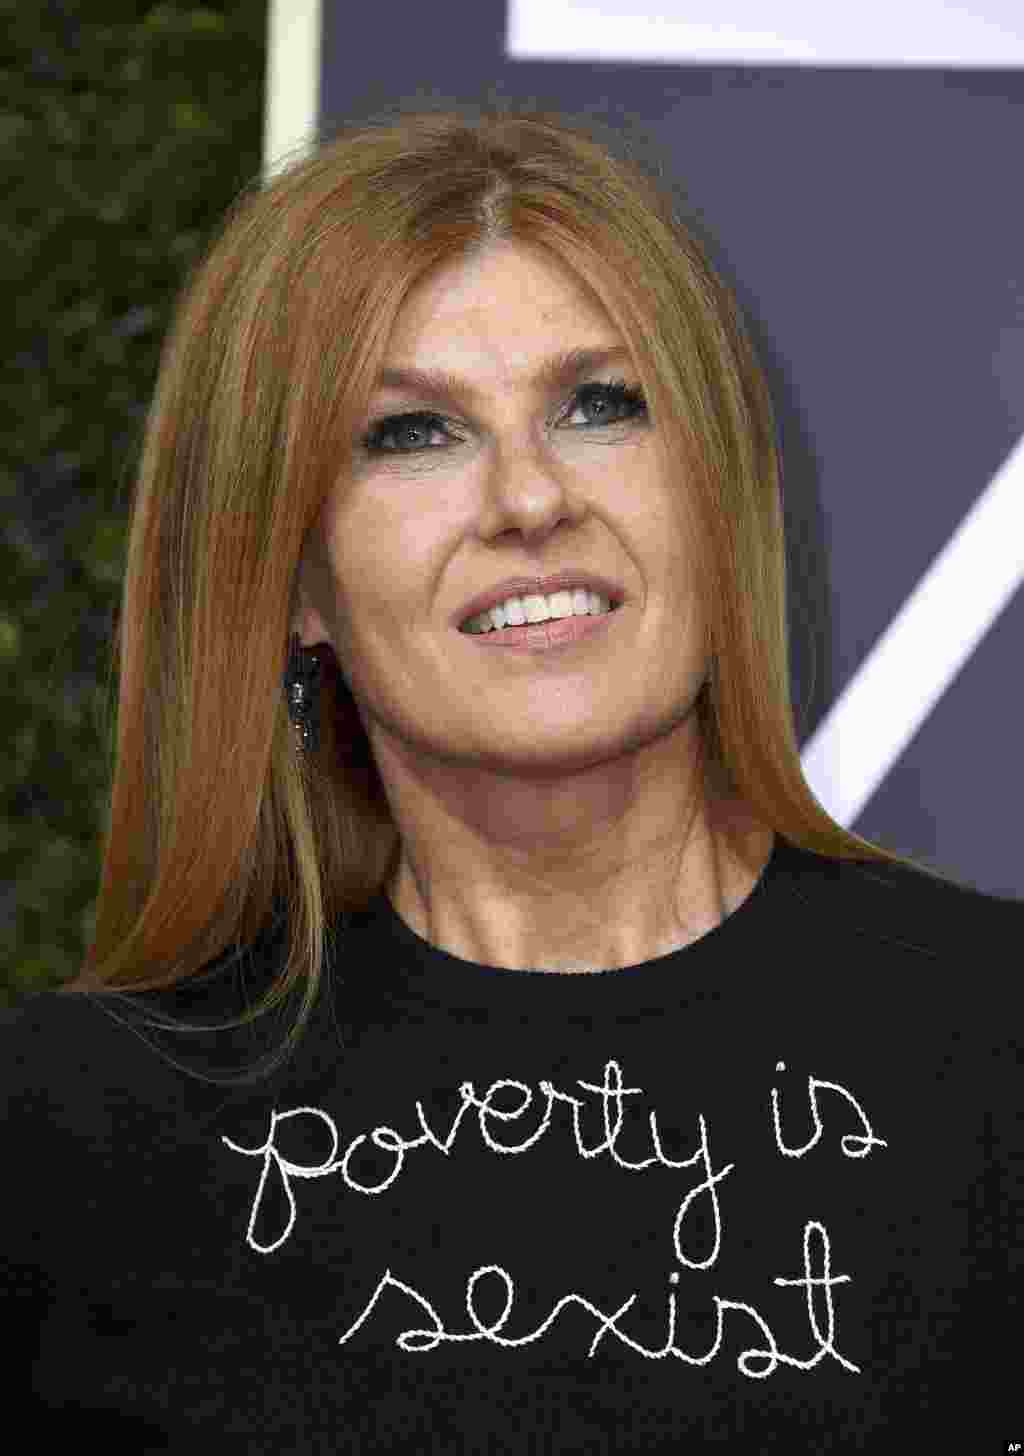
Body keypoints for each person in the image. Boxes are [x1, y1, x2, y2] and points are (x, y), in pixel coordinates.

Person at [2, 96, 1019, 1452]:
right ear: (291, 578)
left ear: (717, 497)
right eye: (412, 433)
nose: (531, 500)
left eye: (601, 406)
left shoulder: (999, 1040)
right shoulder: (73, 1133)